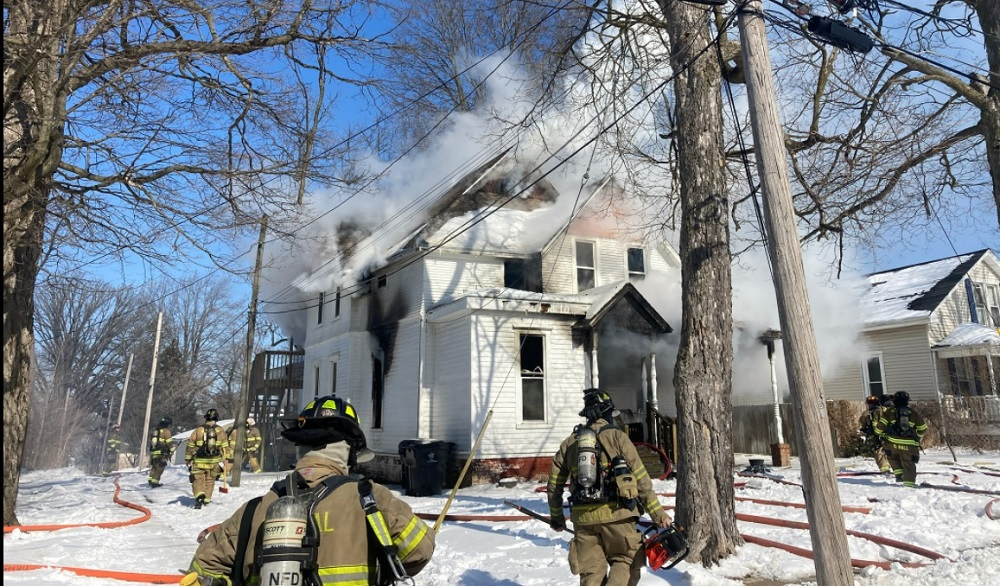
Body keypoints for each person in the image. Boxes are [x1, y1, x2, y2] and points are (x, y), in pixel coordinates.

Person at [181, 395, 435, 586]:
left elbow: (203, 567)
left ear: (300, 446)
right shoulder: (370, 498)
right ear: (350, 452)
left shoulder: (255, 509)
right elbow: (419, 550)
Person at [547, 389, 672, 586]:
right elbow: (641, 479)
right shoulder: (617, 437)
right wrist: (658, 515)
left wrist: (557, 518)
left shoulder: (569, 443)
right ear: (607, 413)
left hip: (583, 518)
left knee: (591, 573)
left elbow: (554, 485)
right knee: (625, 560)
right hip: (618, 515)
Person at [874, 391, 928, 487]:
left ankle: (899, 475)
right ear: (907, 401)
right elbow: (923, 429)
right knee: (909, 463)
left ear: (894, 401)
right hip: (909, 445)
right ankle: (909, 484)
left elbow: (879, 428)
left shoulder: (889, 412)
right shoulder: (913, 413)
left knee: (892, 457)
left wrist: (879, 435)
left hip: (891, 443)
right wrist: (918, 437)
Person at [185, 408, 228, 509]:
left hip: (198, 461)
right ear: (216, 418)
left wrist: (188, 459)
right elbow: (225, 447)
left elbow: (190, 446)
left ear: (206, 418)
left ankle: (199, 496)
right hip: (214, 462)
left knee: (198, 480)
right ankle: (207, 499)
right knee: (210, 480)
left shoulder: (198, 430)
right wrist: (225, 459)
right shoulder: (220, 430)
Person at [858, 395, 890, 474]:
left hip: (874, 435)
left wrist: (864, 429)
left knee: (877, 451)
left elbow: (862, 423)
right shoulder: (884, 410)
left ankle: (884, 468)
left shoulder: (866, 413)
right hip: (886, 434)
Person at [148, 417, 174, 487]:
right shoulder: (166, 431)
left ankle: (150, 479)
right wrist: (172, 449)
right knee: (160, 467)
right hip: (162, 453)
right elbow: (169, 442)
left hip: (154, 452)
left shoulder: (155, 431)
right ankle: (155, 482)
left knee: (154, 466)